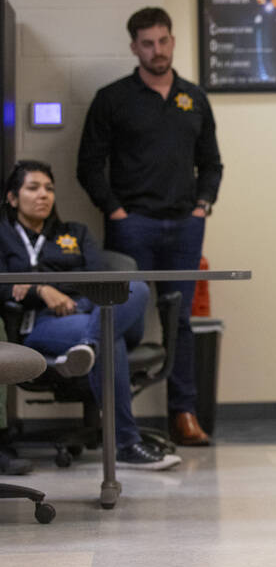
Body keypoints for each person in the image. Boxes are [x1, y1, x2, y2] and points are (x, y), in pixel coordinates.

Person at [78, 6, 223, 446]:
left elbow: (212, 163)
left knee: (178, 320)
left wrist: (203, 205)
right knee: (126, 317)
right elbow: (88, 165)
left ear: (173, 41)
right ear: (133, 47)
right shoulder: (112, 98)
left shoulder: (193, 97)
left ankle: (184, 413)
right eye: (147, 43)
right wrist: (116, 212)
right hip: (131, 227)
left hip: (184, 225)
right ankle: (118, 419)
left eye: (163, 41)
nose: (156, 51)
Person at [0, 160, 181, 470]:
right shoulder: (3, 238)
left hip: (94, 310)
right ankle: (127, 444)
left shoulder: (75, 233)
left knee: (135, 286)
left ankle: (89, 344)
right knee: (111, 339)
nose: (43, 195)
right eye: (33, 188)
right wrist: (42, 293)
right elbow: (4, 286)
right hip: (43, 324)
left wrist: (41, 283)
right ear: (13, 198)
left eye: (49, 189)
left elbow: (98, 278)